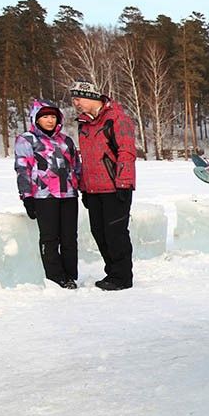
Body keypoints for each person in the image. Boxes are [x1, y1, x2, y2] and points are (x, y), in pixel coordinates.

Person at [70, 79, 136, 290]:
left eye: (78, 98)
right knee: (99, 232)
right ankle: (112, 272)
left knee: (115, 233)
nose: (76, 103)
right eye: (74, 99)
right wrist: (83, 186)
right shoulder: (83, 124)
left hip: (115, 187)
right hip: (93, 187)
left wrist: (124, 183)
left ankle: (122, 277)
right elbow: (86, 158)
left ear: (90, 98)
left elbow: (126, 152)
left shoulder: (117, 119)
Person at [14, 99, 81, 289]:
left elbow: (76, 166)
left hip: (68, 194)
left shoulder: (66, 140)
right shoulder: (27, 140)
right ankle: (55, 276)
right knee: (50, 238)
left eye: (53, 116)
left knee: (69, 237)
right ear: (36, 118)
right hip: (43, 196)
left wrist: (81, 187)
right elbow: (22, 169)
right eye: (45, 116)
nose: (50, 120)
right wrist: (27, 196)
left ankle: (70, 275)